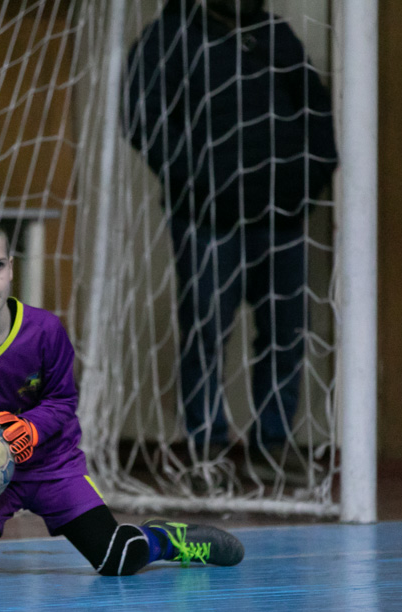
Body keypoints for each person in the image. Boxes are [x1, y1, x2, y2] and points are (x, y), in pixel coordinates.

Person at [0, 211, 244, 578]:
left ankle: (165, 538)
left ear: (11, 267)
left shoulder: (45, 330)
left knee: (118, 558)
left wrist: (30, 429)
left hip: (52, 466)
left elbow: (62, 401)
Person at [124, 0, 338, 469]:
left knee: (285, 334)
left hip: (282, 216)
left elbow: (317, 111)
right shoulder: (169, 37)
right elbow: (143, 117)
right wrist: (199, 179)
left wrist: (307, 180)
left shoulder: (276, 35)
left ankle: (273, 445)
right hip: (206, 220)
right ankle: (206, 447)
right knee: (205, 333)